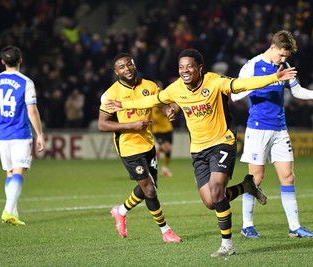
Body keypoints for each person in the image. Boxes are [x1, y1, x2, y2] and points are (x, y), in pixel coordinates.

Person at [105, 48, 297, 257]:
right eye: (181, 67)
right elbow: (152, 100)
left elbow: (242, 84)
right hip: (198, 150)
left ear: (200, 68)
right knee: (210, 201)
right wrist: (123, 104)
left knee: (216, 190)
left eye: (189, 66)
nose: (184, 70)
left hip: (222, 142)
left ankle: (227, 245)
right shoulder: (176, 88)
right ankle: (246, 186)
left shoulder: (214, 82)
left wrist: (273, 78)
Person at [231, 30, 313, 239]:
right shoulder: (252, 65)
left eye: (286, 57)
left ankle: (295, 227)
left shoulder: (284, 66)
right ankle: (247, 225)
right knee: (256, 178)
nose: (283, 59)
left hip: (280, 129)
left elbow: (296, 91)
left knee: (288, 176)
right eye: (281, 55)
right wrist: (264, 82)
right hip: (258, 128)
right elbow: (235, 94)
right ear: (272, 47)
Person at [98, 52, 182, 243]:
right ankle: (166, 232)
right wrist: (131, 126)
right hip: (128, 147)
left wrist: (168, 110)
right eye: (121, 67)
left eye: (128, 65)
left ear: (134, 65)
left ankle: (120, 211)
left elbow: (161, 103)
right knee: (150, 191)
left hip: (148, 143)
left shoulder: (149, 86)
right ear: (115, 71)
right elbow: (102, 125)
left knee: (150, 188)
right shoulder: (111, 94)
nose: (126, 69)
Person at [0, 45, 45, 226]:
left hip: (2, 135)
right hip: (20, 133)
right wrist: (39, 134)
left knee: (10, 173)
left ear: (2, 61)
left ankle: (13, 212)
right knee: (19, 171)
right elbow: (32, 111)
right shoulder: (26, 82)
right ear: (20, 60)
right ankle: (8, 210)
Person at [150, 102, 180, 177]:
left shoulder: (165, 103)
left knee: (168, 150)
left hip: (168, 129)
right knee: (166, 149)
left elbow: (176, 109)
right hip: (158, 131)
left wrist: (174, 107)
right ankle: (158, 148)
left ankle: (164, 168)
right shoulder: (152, 105)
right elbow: (151, 119)